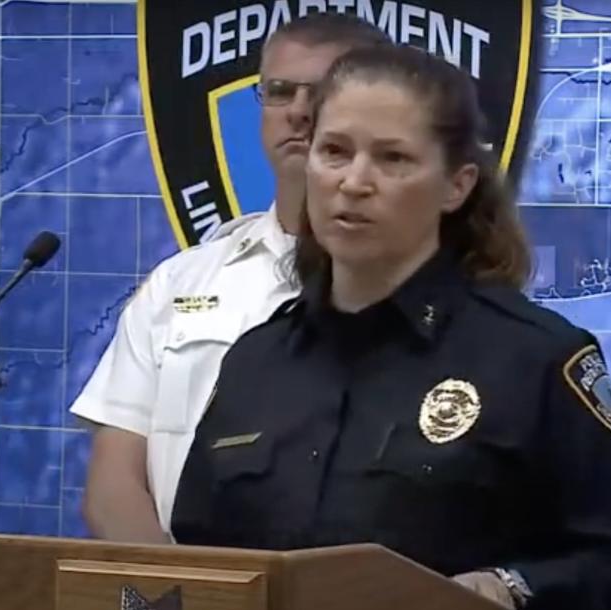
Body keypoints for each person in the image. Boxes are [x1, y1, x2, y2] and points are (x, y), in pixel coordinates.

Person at [169, 43, 611, 610]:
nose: (354, 182)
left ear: (456, 186)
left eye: (392, 159)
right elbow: (197, 555)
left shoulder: (534, 357)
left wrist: (507, 588)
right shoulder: (256, 358)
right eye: (334, 151)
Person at [70, 13, 391, 542]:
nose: (299, 111)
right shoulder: (183, 281)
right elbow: (112, 485)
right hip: (184, 604)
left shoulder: (418, 286)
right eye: (279, 91)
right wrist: (187, 601)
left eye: (325, 91)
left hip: (353, 606)